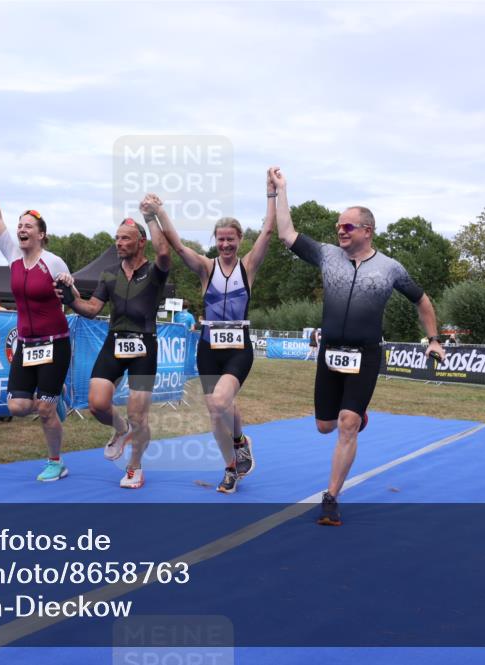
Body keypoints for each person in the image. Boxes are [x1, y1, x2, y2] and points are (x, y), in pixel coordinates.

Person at [272, 167, 446, 526]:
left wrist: (434, 341)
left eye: (347, 226)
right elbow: (285, 233)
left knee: (346, 423)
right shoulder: (326, 255)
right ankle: (356, 414)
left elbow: (423, 301)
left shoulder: (390, 268)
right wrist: (280, 190)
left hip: (365, 354)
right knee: (325, 426)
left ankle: (331, 496)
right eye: (338, 226)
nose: (340, 230)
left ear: (367, 230)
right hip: (330, 353)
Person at [151, 171, 275, 494]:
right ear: (215, 241)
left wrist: (271, 195)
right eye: (220, 239)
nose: (225, 244)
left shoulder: (248, 267)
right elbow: (177, 247)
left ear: (239, 240)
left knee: (221, 401)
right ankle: (231, 464)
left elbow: (269, 231)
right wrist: (160, 212)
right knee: (216, 409)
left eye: (230, 239)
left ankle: (239, 442)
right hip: (207, 347)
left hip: (238, 347)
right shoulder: (206, 268)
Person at [58, 197, 172, 489]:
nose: (119, 243)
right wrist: (70, 298)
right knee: (96, 404)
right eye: (117, 238)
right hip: (114, 341)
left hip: (144, 345)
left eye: (125, 238)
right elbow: (93, 308)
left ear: (140, 242)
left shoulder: (155, 271)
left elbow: (164, 250)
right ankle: (120, 429)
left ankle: (134, 467)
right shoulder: (109, 274)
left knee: (138, 415)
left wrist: (150, 216)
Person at [0, 157, 73, 482]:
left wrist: (69, 287)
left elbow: (69, 298)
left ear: (42, 235)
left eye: (28, 226)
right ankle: (54, 397)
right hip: (26, 345)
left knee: (44, 410)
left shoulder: (54, 262)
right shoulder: (12, 255)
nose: (21, 229)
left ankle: (56, 461)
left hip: (55, 344)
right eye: (20, 226)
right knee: (17, 407)